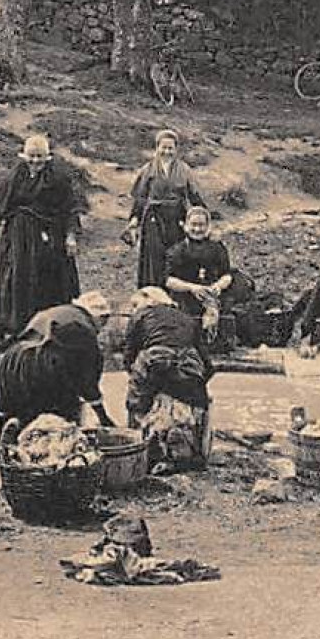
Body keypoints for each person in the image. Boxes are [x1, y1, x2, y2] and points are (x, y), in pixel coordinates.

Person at [0, 136, 85, 336]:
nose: (35, 161)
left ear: (47, 157)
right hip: (18, 236)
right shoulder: (16, 175)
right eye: (31, 156)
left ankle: (49, 325)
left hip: (48, 237)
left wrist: (70, 236)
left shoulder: (58, 178)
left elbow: (70, 209)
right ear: (24, 155)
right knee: (16, 277)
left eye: (40, 157)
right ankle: (15, 325)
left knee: (47, 278)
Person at [0, 292, 115, 435]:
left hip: (11, 359)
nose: (102, 328)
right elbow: (88, 381)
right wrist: (103, 417)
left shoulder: (55, 312)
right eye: (104, 322)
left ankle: (7, 430)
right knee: (55, 423)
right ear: (100, 317)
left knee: (14, 409)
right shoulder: (83, 329)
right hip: (42, 363)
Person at [126, 130, 206, 289]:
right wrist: (134, 219)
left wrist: (202, 214)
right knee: (154, 256)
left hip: (177, 216)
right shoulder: (148, 169)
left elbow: (194, 196)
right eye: (164, 148)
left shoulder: (184, 170)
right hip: (153, 218)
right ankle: (152, 290)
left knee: (175, 253)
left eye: (171, 148)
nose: (167, 152)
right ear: (157, 148)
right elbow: (141, 197)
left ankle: (175, 290)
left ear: (176, 150)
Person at [124, 286, 212, 424]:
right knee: (197, 403)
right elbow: (206, 360)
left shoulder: (141, 316)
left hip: (154, 361)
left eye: (135, 305)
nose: (133, 309)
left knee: (136, 404)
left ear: (149, 300)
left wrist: (133, 373)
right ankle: (198, 433)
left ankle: (135, 433)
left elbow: (129, 353)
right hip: (187, 364)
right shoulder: (187, 318)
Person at [165, 207, 244, 343]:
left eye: (201, 225)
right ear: (185, 226)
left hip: (212, 295)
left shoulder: (217, 248)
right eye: (193, 225)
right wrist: (192, 288)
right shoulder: (177, 250)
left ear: (208, 227)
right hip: (186, 296)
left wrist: (218, 286)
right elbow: (168, 280)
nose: (197, 229)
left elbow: (227, 274)